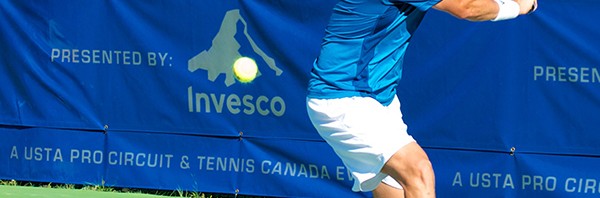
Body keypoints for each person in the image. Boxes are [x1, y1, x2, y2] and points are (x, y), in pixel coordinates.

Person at [306, 0, 537, 197]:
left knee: (395, 189)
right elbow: (466, 8)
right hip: (343, 98)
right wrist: (517, 6)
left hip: (379, 100)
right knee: (419, 170)